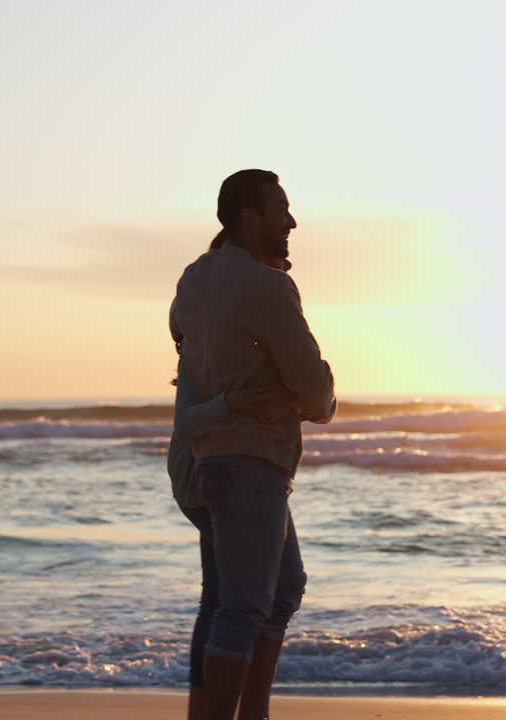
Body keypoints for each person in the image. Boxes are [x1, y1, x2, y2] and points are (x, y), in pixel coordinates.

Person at [170, 169, 337, 720]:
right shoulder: (267, 287)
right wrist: (307, 401)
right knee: (242, 607)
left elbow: (180, 334)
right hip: (249, 464)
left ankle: (252, 714)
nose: (291, 221)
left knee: (281, 588)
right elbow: (314, 385)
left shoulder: (193, 279)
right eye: (281, 210)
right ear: (250, 217)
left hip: (206, 462)